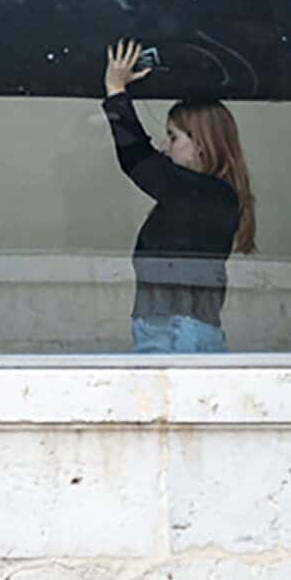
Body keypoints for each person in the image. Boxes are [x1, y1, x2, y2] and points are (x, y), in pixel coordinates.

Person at [98, 37, 255, 354]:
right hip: (175, 329)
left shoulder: (207, 195)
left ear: (200, 143)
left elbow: (138, 160)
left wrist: (116, 91)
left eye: (173, 137)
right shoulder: (205, 195)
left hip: (177, 333)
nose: (165, 146)